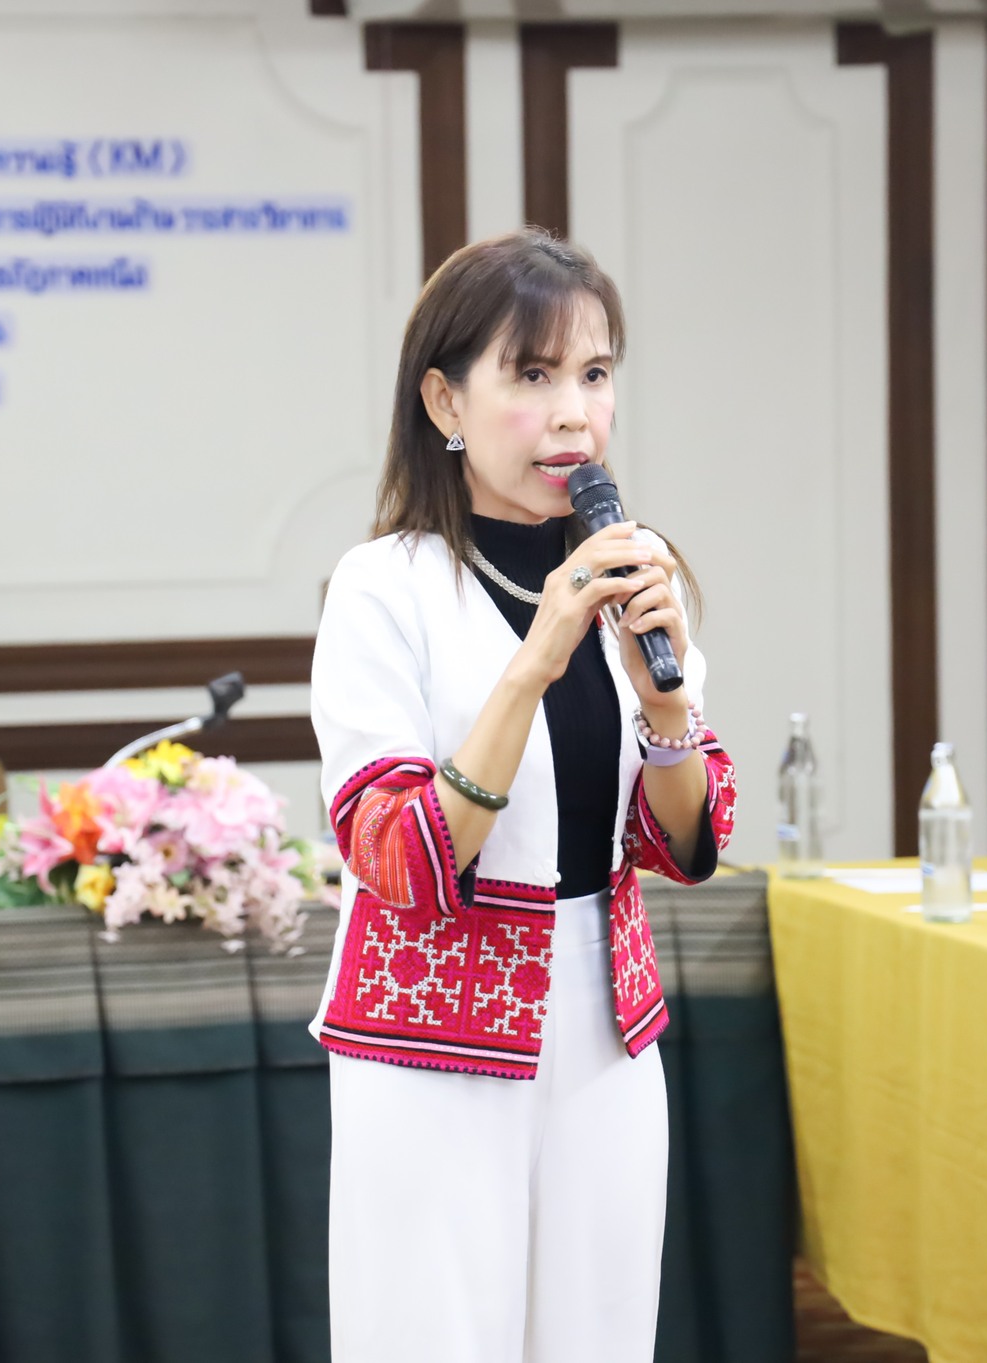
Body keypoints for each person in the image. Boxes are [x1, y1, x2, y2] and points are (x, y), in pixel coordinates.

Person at [309, 227, 738, 1363]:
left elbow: (685, 842)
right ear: (445, 401)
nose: (572, 416)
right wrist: (535, 659)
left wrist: (666, 704)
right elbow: (403, 858)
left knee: (599, 1335)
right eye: (533, 375)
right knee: (433, 1336)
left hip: (605, 1022)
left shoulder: (628, 569)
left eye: (594, 375)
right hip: (430, 1036)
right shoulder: (382, 588)